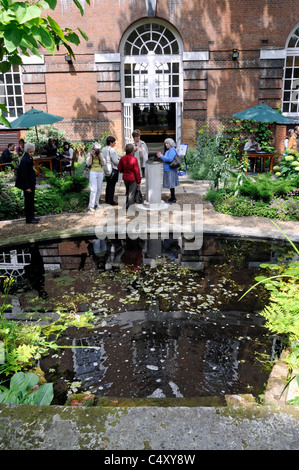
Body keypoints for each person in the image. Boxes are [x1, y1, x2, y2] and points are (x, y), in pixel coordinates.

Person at [16, 142, 39, 224]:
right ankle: (29, 219)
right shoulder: (25, 160)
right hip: (27, 185)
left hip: (31, 183)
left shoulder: (29, 158)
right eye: (30, 152)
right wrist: (26, 187)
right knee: (28, 202)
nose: (32, 153)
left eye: (33, 152)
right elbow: (23, 175)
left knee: (31, 201)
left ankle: (32, 217)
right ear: (26, 151)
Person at [118, 143, 141, 209]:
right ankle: (130, 207)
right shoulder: (134, 159)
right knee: (131, 193)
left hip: (125, 177)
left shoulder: (122, 158)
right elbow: (137, 171)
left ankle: (127, 205)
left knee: (127, 191)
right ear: (132, 150)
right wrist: (139, 181)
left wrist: (123, 170)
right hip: (132, 178)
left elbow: (119, 168)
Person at [156, 138, 179, 203]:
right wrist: (162, 156)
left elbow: (170, 159)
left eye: (167, 143)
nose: (166, 145)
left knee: (171, 185)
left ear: (171, 143)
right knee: (171, 185)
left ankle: (173, 198)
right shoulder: (169, 150)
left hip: (170, 170)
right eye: (165, 143)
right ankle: (172, 197)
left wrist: (161, 156)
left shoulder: (172, 150)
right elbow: (167, 158)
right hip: (169, 169)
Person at [86, 142, 104, 213]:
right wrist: (91, 156)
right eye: (96, 149)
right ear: (93, 149)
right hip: (93, 172)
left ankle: (97, 203)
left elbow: (103, 163)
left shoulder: (101, 154)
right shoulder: (89, 154)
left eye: (98, 150)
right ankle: (91, 206)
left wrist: (99, 156)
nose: (97, 151)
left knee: (99, 188)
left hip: (100, 172)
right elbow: (88, 163)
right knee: (94, 189)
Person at [101, 136, 120, 205]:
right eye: (114, 142)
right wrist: (119, 161)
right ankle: (111, 200)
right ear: (110, 142)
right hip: (113, 169)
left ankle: (107, 199)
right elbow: (115, 161)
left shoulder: (103, 149)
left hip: (106, 169)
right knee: (112, 186)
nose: (115, 143)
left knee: (108, 185)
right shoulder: (112, 150)